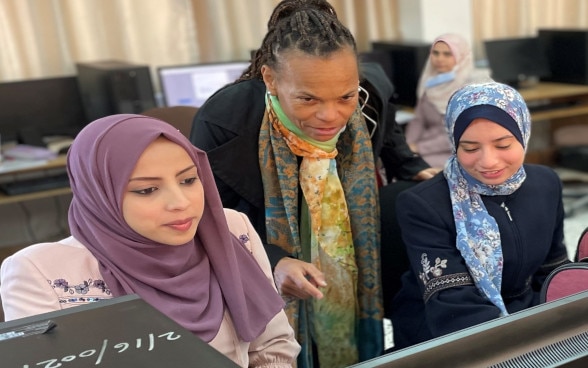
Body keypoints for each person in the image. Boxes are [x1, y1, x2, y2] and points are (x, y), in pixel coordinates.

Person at [189, 1, 439, 366]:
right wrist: (273, 261)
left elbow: (387, 135)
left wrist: (413, 166)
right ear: (271, 79)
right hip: (260, 237)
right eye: (307, 99)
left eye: (345, 97)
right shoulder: (225, 120)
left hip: (346, 235)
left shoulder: (370, 92)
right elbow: (207, 216)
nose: (330, 116)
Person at [0, 114, 300, 368]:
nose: (181, 202)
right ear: (99, 195)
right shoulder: (40, 271)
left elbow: (273, 346)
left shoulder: (230, 229)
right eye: (147, 190)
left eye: (188, 180)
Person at [390, 82, 571, 349]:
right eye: (471, 148)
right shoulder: (423, 205)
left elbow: (553, 270)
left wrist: (566, 320)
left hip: (526, 313)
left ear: (523, 134)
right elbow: (454, 306)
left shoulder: (546, 184)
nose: (488, 161)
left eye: (503, 144)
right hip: (446, 331)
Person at [405, 33, 478, 169]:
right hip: (427, 144)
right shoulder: (429, 82)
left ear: (461, 56)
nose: (439, 59)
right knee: (394, 164)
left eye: (447, 54)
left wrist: (418, 147)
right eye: (435, 53)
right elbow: (418, 120)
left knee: (411, 168)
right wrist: (407, 146)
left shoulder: (469, 90)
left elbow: (459, 133)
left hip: (457, 149)